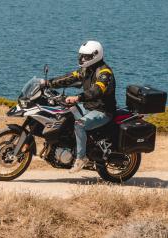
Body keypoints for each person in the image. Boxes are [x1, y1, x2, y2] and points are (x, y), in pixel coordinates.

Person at [44, 40, 117, 173]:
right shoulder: (87, 70)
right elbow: (70, 77)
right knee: (65, 113)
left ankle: (81, 158)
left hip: (102, 111)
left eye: (86, 56)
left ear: (95, 55)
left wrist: (78, 98)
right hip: (89, 107)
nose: (83, 58)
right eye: (81, 56)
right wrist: (48, 83)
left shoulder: (104, 73)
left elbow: (97, 91)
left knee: (79, 124)